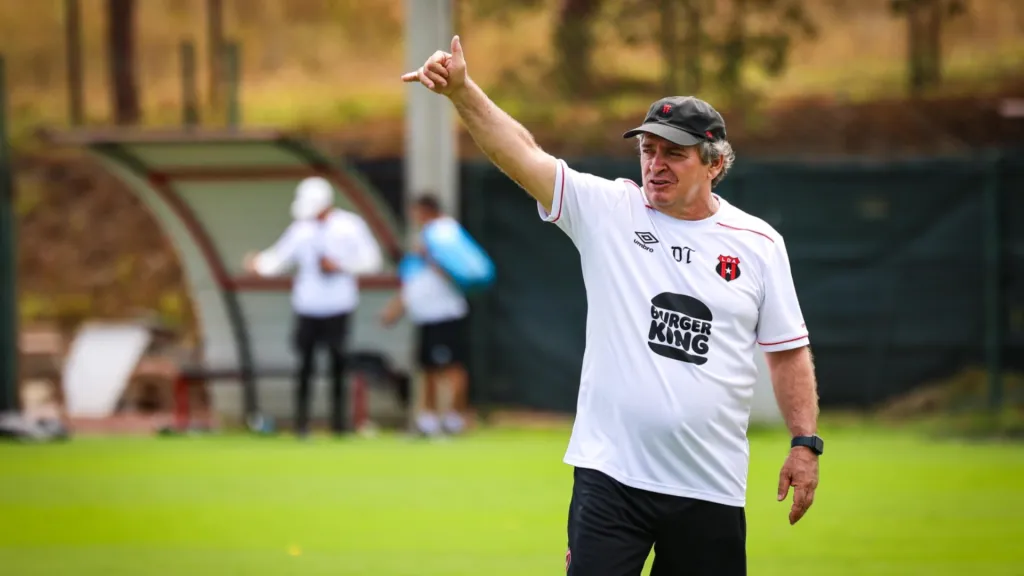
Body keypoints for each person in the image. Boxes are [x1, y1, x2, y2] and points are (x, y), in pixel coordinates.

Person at [402, 37, 822, 575]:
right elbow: (522, 153)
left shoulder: (758, 243)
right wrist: (463, 92)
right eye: (648, 150)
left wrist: (804, 443)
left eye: (674, 152)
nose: (656, 164)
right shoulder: (610, 210)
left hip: (710, 484)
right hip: (610, 478)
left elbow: (788, 351)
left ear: (714, 163)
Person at [244, 176, 383, 438]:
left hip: (339, 305)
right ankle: (302, 425)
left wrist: (340, 266)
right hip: (307, 305)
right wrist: (258, 265)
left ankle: (340, 426)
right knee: (304, 366)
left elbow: (372, 262)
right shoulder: (300, 229)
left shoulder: (350, 226)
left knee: (338, 365)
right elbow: (277, 259)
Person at [379, 194, 471, 437]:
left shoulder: (445, 234)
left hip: (445, 313)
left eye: (416, 211)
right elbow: (415, 280)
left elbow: (454, 272)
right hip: (426, 316)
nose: (413, 217)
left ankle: (455, 419)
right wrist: (395, 308)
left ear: (426, 211)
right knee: (429, 368)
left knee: (452, 367)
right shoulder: (427, 237)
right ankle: (428, 420)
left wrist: (432, 258)